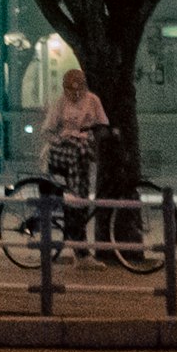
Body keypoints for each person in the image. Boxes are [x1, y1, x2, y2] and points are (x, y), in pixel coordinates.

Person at [44, 64, 109, 247]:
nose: (75, 94)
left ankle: (77, 198)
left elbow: (102, 124)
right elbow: (48, 129)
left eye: (79, 88)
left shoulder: (92, 101)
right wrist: (61, 137)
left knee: (82, 156)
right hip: (65, 152)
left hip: (84, 150)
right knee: (76, 193)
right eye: (70, 90)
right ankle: (76, 197)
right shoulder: (61, 102)